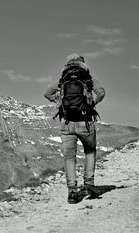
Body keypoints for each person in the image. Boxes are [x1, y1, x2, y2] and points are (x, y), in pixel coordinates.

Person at [44, 54, 106, 204]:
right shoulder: (88, 79)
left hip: (67, 123)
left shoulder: (62, 80)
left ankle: (72, 192)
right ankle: (89, 185)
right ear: (82, 63)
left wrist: (57, 100)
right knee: (90, 152)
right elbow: (101, 92)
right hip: (85, 122)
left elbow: (46, 93)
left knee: (69, 157)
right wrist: (92, 104)